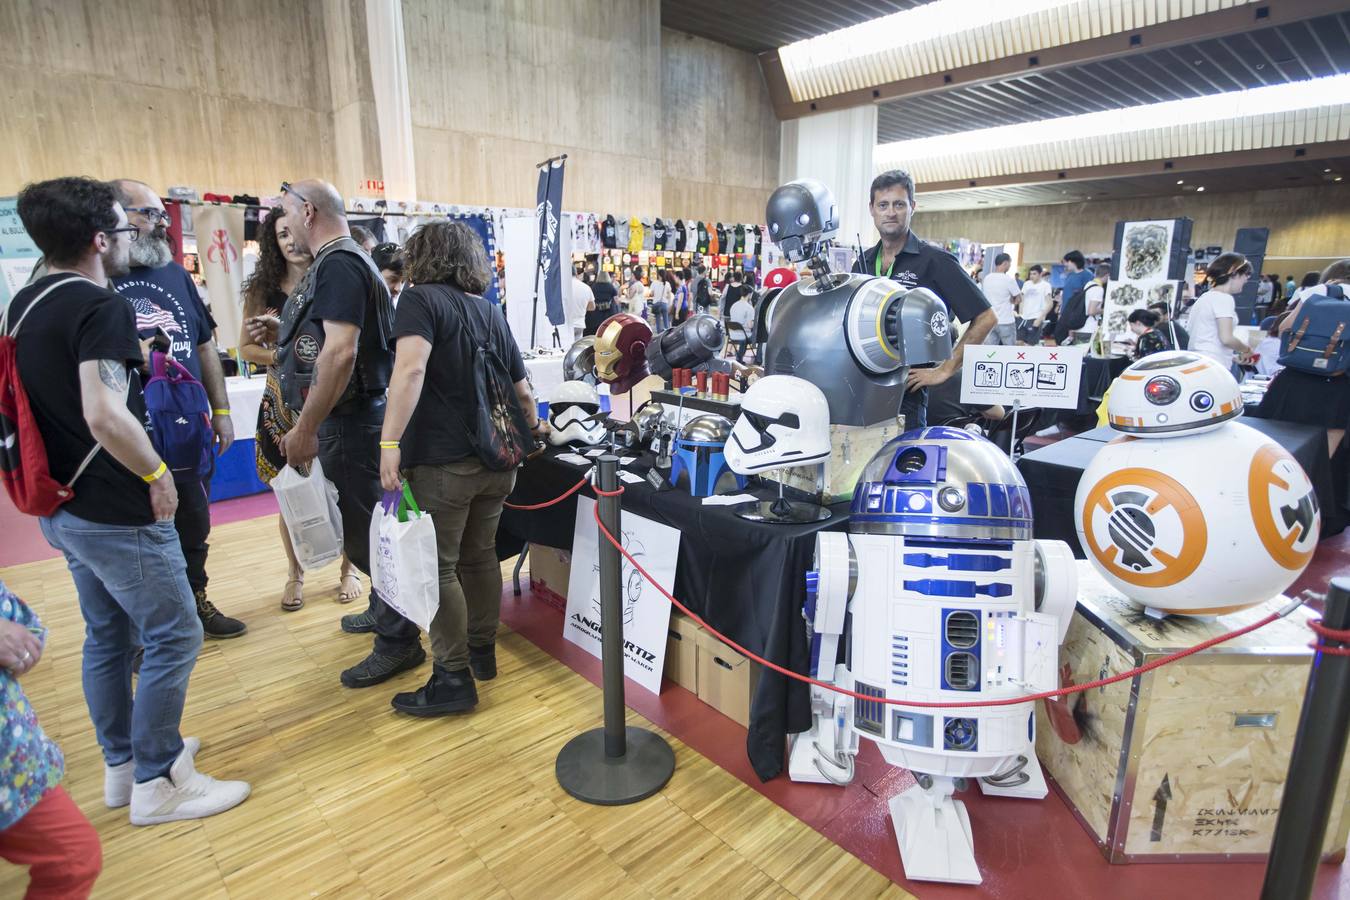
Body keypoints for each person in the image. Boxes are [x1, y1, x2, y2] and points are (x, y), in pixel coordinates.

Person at [12, 177, 248, 823]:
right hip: (115, 505)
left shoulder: (27, 302)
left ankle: (125, 766)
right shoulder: (100, 306)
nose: (132, 239)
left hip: (64, 506)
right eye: (123, 230)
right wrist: (155, 475)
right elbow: (104, 413)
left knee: (108, 635)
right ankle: (160, 777)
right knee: (177, 632)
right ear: (97, 239)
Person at [246, 179, 419, 689]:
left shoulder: (339, 263)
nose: (286, 226)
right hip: (354, 419)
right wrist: (287, 335)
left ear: (306, 210)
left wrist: (305, 427)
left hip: (351, 422)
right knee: (367, 531)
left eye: (287, 214)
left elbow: (342, 353)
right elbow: (334, 341)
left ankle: (399, 640)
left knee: (371, 538)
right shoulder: (345, 261)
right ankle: (385, 614)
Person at [376, 220, 544, 715]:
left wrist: (389, 441)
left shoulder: (419, 301)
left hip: (443, 461)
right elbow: (523, 391)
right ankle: (481, 653)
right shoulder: (489, 310)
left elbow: (410, 370)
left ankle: (451, 677)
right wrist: (532, 430)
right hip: (498, 460)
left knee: (440, 565)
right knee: (480, 556)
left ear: (421, 256)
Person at [111, 180, 246, 640]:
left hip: (186, 427)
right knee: (137, 532)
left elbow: (205, 345)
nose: (159, 225)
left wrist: (222, 411)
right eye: (149, 214)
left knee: (193, 519)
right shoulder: (98, 277)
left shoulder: (173, 273)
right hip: (127, 431)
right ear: (117, 216)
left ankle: (196, 602)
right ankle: (145, 628)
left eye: (161, 216)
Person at [239, 209, 362, 611]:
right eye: (280, 235)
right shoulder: (263, 289)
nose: (290, 242)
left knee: (344, 488)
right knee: (288, 492)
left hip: (331, 395)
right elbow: (245, 348)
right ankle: (295, 573)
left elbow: (344, 345)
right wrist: (287, 352)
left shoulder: (331, 277)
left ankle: (350, 569)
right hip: (283, 401)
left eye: (293, 232)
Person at [852, 169, 995, 429]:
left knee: (902, 467)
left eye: (899, 204)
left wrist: (945, 370)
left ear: (912, 207)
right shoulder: (862, 263)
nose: (890, 212)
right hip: (863, 391)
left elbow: (986, 317)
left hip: (908, 395)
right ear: (872, 209)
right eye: (883, 205)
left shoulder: (936, 261)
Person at [0, 580, 102, 897]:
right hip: (11, 766)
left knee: (73, 857)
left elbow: (24, 627)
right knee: (72, 857)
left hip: (15, 755)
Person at [1259, 259, 1350, 457]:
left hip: (1295, 379)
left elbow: (1285, 328)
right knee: (1322, 459)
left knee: (1276, 448)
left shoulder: (1320, 291)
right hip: (1339, 383)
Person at [1189, 252, 1254, 377]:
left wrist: (1233, 356)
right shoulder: (1223, 298)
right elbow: (1226, 338)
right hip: (1212, 367)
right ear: (1234, 273)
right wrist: (1246, 349)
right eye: (1246, 275)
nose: (1246, 280)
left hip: (1199, 363)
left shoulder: (1205, 297)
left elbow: (1207, 337)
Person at [980, 253, 1020, 345]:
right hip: (1006, 320)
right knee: (1010, 351)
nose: (1010, 266)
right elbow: (1018, 299)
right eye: (1010, 263)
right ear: (1005, 263)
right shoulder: (1008, 280)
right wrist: (1012, 300)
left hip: (990, 320)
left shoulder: (987, 278)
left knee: (990, 353)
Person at [1018, 264, 1052, 344]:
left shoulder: (1045, 285)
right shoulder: (1027, 284)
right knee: (1018, 342)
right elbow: (1022, 299)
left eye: (1034, 274)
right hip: (1024, 317)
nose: (1032, 276)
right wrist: (1020, 313)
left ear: (1040, 274)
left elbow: (1050, 303)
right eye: (1030, 274)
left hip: (1036, 317)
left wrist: (1040, 318)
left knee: (1030, 344)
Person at [586, 270, 619, 336]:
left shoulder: (594, 287)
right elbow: (616, 300)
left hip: (595, 313)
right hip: (608, 312)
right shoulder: (610, 287)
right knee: (607, 332)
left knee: (595, 332)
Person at [728, 288, 756, 363]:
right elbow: (750, 326)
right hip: (743, 336)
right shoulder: (749, 308)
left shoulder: (733, 305)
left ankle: (739, 356)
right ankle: (758, 359)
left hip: (732, 334)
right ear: (750, 294)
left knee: (744, 335)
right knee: (760, 337)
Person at [567, 264, 595, 341]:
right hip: (579, 323)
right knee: (576, 349)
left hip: (565, 324)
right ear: (576, 273)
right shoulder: (586, 287)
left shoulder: (562, 286)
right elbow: (592, 307)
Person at [1083, 264, 1109, 335]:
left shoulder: (1088, 284)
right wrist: (1106, 310)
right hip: (1089, 327)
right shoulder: (1098, 289)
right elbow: (1091, 311)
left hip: (1081, 325)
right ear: (1107, 275)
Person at [648, 267, 671, 332]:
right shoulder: (667, 283)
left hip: (657, 304)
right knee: (666, 321)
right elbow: (669, 295)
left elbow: (651, 294)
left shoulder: (654, 283)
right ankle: (667, 334)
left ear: (659, 275)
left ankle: (659, 335)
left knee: (658, 321)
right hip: (664, 304)